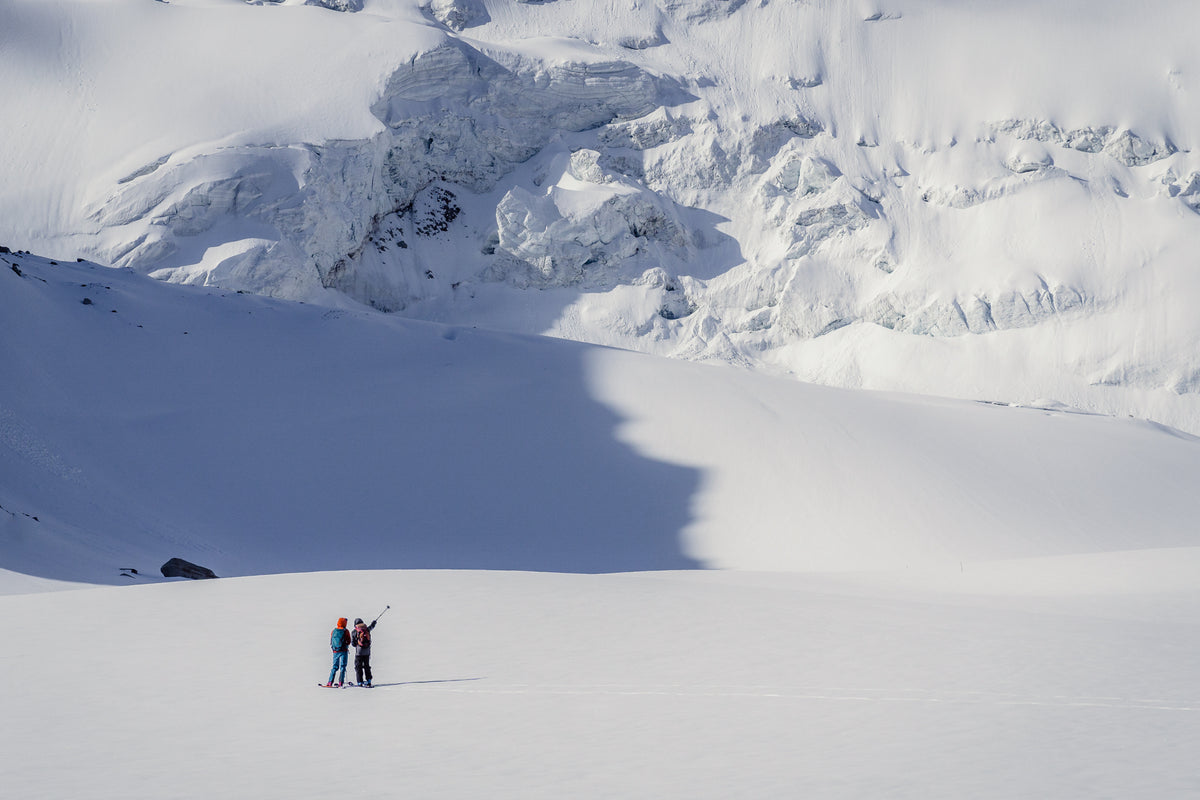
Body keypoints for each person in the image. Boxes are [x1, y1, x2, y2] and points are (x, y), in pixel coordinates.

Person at [351, 617, 377, 687]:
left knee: (358, 667)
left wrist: (357, 643)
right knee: (367, 666)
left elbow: (353, 644)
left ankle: (360, 682)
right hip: (367, 652)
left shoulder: (354, 631)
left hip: (359, 653)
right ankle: (369, 680)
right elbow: (372, 626)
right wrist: (374, 622)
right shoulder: (367, 629)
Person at [326, 617, 351, 687]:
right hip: (343, 651)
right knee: (342, 667)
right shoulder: (346, 631)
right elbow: (349, 641)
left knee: (334, 667)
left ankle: (330, 682)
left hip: (335, 651)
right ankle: (341, 682)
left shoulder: (333, 631)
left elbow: (331, 640)